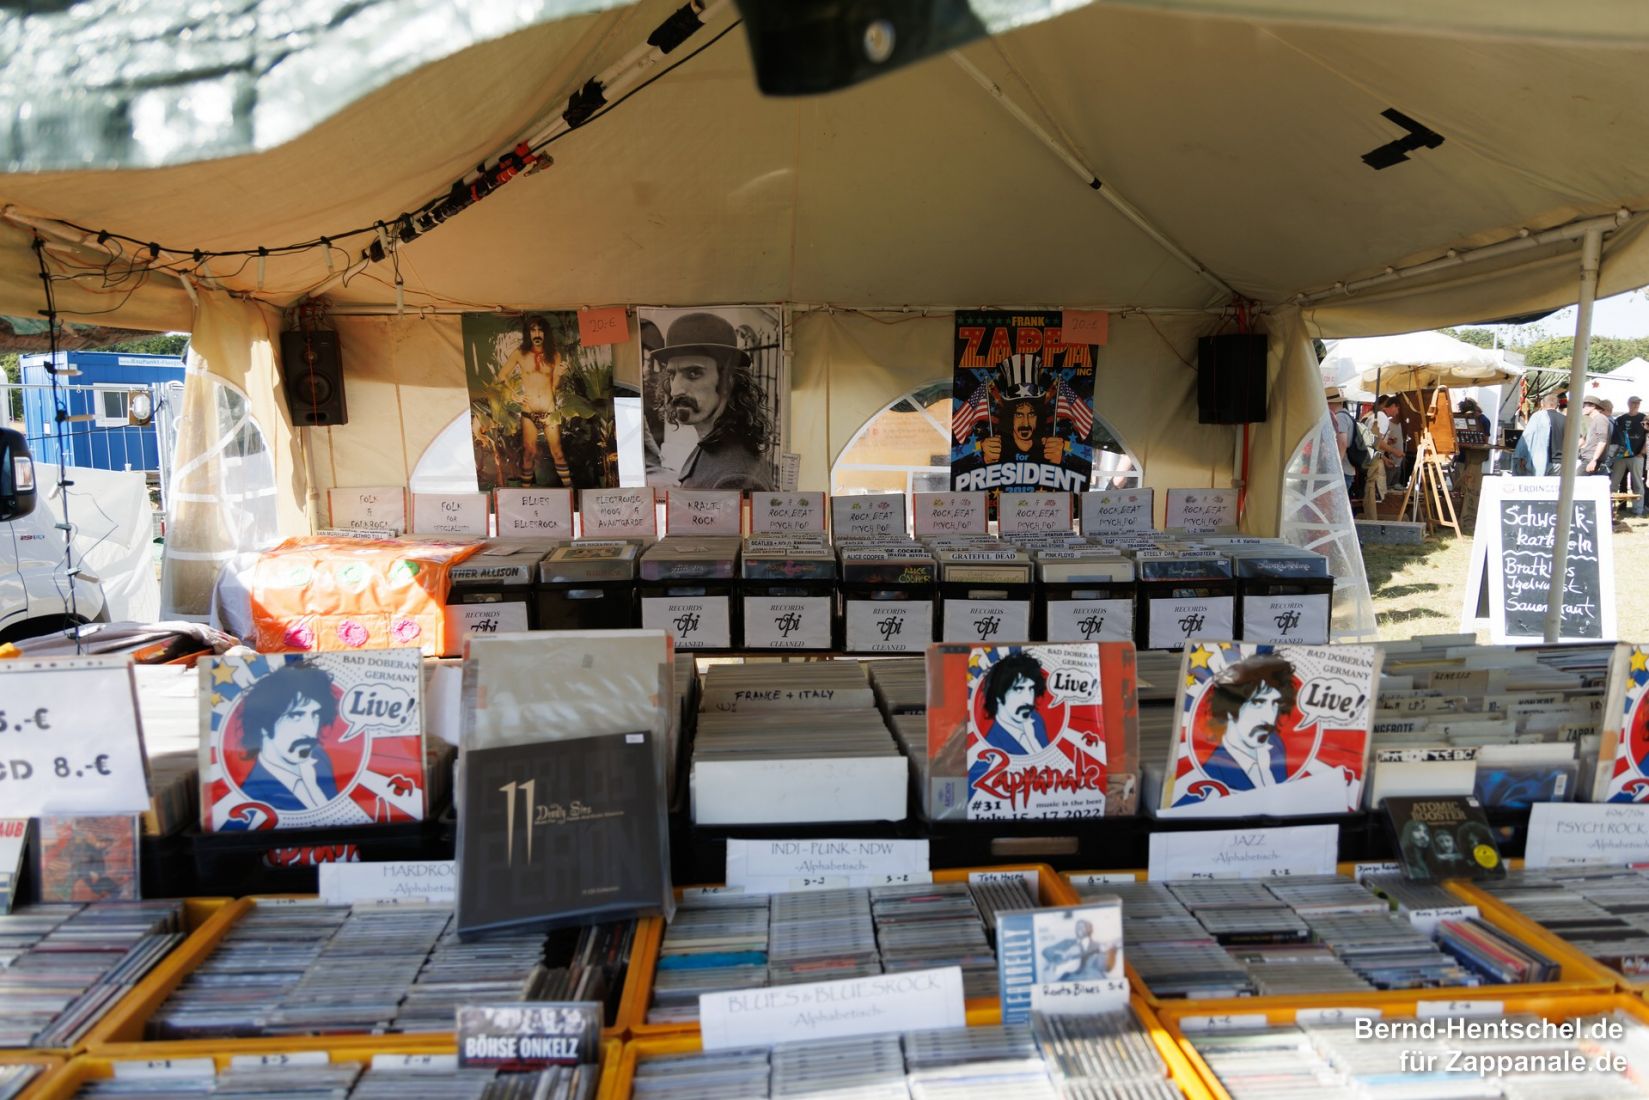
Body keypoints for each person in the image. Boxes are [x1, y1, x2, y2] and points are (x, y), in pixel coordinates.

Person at [649, 312, 774, 491]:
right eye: (672, 374)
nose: (675, 390)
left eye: (693, 373)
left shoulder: (735, 478)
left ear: (728, 382)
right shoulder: (714, 443)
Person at [233, 664, 341, 812]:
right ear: (263, 722)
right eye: (296, 715)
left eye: (315, 714)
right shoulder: (253, 798)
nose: (310, 731)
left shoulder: (320, 759)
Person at [1198, 654, 1296, 792]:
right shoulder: (1214, 774)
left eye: (1275, 704)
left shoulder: (1275, 747)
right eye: (1257, 702)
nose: (1269, 718)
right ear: (1229, 706)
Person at [499, 315, 574, 487]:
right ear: (528, 333)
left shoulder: (554, 355)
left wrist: (560, 374)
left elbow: (555, 386)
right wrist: (514, 394)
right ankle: (525, 493)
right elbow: (502, 376)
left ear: (545, 333)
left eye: (540, 330)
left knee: (558, 453)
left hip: (549, 411)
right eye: (533, 330)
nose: (537, 334)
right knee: (529, 454)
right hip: (528, 412)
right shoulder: (520, 354)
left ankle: (571, 493)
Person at [976, 652, 1053, 757]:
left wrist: (1033, 740)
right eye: (1018, 689)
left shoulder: (1036, 721)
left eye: (1031, 688)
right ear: (998, 693)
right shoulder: (992, 748)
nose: (1029, 700)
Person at [1512, 393, 1564, 476]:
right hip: (1560, 462)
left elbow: (1527, 437)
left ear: (1542, 404)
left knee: (1538, 484)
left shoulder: (1538, 417)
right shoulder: (1565, 419)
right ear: (1557, 405)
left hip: (1540, 462)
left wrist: (1521, 456)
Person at [1614, 396, 1647, 517]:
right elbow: (1615, 437)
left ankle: (1638, 510)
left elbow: (1648, 437)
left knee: (1637, 484)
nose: (1636, 405)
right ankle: (1610, 509)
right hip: (1620, 457)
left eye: (1638, 403)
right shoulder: (1621, 419)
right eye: (1634, 403)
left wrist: (1642, 453)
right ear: (1628, 404)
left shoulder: (1644, 418)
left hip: (1636, 456)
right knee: (1614, 483)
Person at [1327, 386, 1357, 499]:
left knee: (1336, 502)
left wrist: (1336, 467)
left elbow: (1342, 443)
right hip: (1347, 468)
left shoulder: (1340, 417)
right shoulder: (1346, 415)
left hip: (1343, 470)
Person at [1375, 395, 1406, 488]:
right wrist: (1394, 451)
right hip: (1372, 463)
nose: (1398, 412)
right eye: (1397, 408)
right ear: (1393, 406)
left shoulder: (1379, 416)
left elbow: (1374, 444)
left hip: (1375, 459)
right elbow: (1377, 442)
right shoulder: (1383, 418)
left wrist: (1385, 459)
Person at [1580, 396, 1613, 476]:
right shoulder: (1595, 419)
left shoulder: (1601, 419)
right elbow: (1584, 440)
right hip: (1588, 458)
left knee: (1576, 480)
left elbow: (1602, 441)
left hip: (1591, 459)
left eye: (1584, 406)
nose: (1582, 408)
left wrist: (1594, 460)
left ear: (1593, 406)